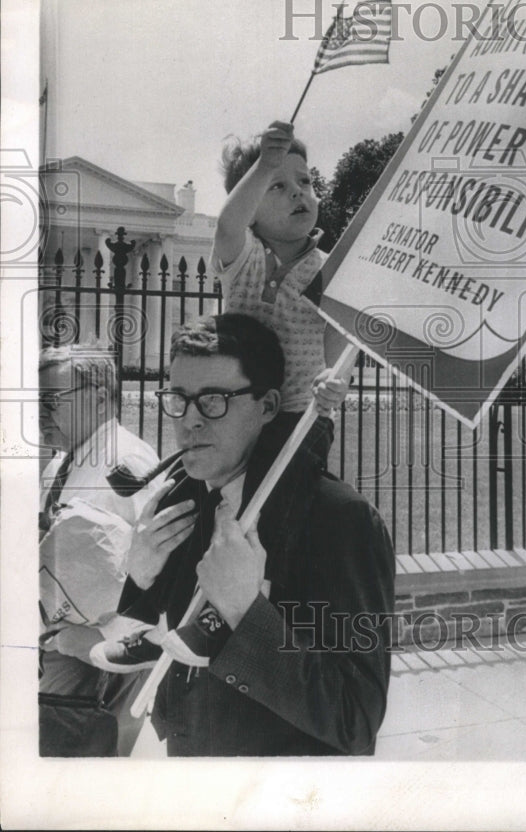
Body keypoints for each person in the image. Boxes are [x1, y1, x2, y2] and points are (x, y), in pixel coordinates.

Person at [96, 314, 395, 756]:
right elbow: (160, 632)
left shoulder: (340, 520)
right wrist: (139, 574)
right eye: (178, 398)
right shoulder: (189, 498)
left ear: (268, 406)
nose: (189, 421)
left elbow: (356, 719)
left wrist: (246, 613)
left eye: (213, 400)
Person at [38, 344, 160, 756]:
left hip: (105, 664)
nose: (40, 413)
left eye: (52, 400)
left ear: (100, 396)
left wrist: (100, 637)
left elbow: (159, 571)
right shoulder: (61, 464)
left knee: (99, 771)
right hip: (62, 653)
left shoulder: (127, 462)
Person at [211, 120, 351, 460]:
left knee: (284, 506)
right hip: (237, 413)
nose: (297, 191)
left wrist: (335, 381)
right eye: (276, 185)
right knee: (227, 502)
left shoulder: (331, 269)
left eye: (305, 181)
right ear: (250, 207)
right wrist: (263, 168)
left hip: (302, 420)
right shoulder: (244, 256)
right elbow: (228, 224)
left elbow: (339, 348)